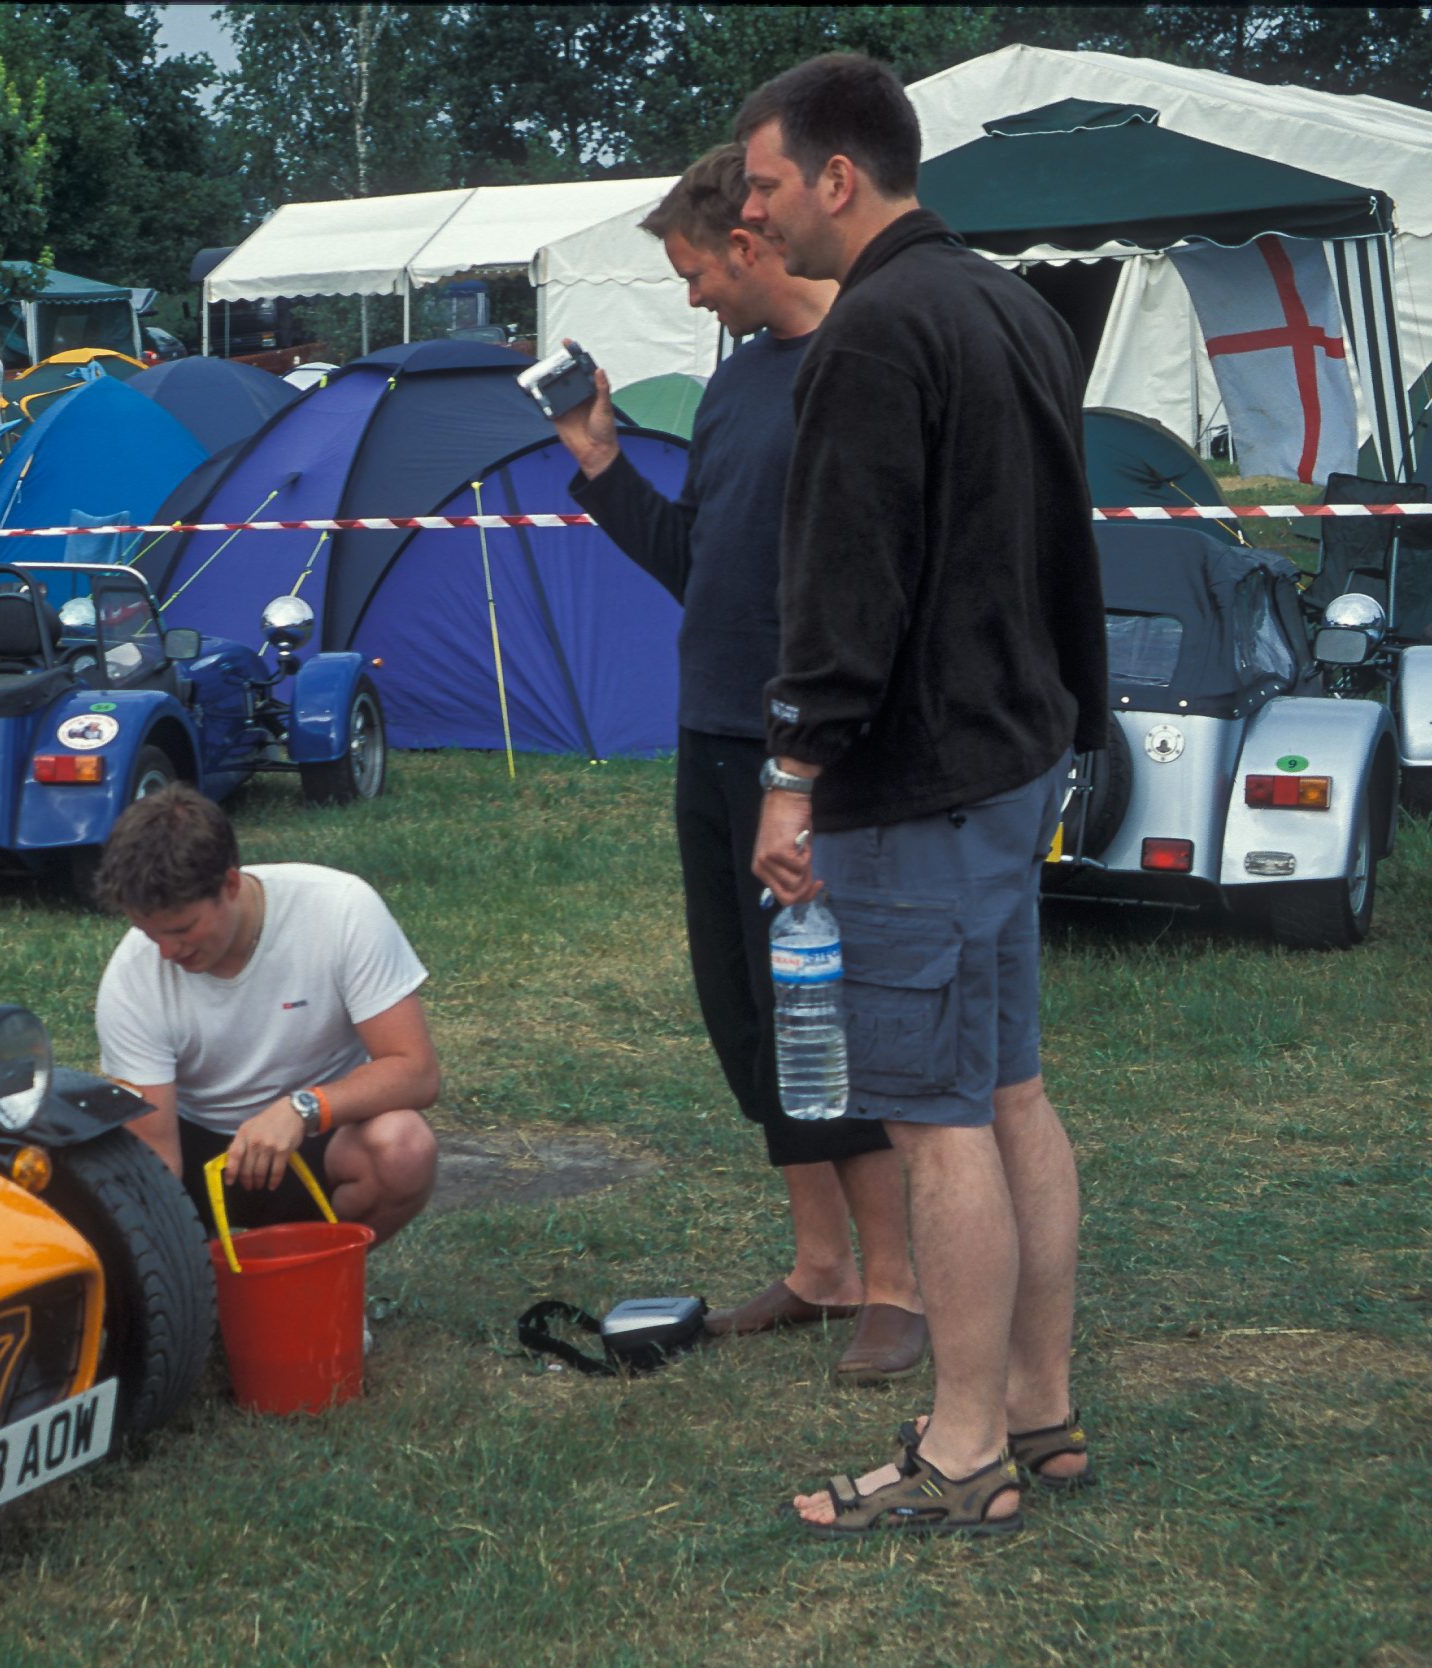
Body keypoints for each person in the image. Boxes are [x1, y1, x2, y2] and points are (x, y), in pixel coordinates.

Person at [734, 53, 1106, 1536]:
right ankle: (1039, 1407)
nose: (751, 211)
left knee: (938, 1116)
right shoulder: (1012, 300)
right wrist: (1077, 713)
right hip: (1015, 760)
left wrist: (792, 771)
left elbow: (847, 582)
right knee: (1009, 1089)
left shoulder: (878, 331)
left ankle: (963, 1452)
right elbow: (1071, 544)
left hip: (922, 783)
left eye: (763, 183)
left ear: (839, 177)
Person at [554, 145, 923, 1383]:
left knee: (824, 1013)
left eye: (695, 272)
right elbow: (695, 564)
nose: (692, 297)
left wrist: (807, 764)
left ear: (751, 247)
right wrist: (601, 463)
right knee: (746, 1017)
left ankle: (900, 1284)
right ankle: (820, 1271)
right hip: (707, 740)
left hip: (801, 755)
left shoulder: (855, 366)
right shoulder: (733, 388)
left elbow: (870, 587)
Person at [94, 786, 440, 1246]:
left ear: (230, 885)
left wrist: (302, 1109)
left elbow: (416, 1072)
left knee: (404, 1147)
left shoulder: (340, 909)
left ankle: (323, 1280)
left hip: (317, 1140)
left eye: (181, 930)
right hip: (197, 1149)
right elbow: (156, 1157)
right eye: (147, 932)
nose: (166, 952)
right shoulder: (133, 976)